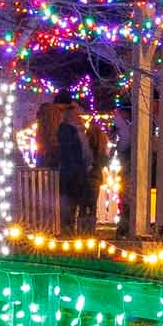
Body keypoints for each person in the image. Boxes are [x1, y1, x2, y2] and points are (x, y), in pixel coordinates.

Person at [50, 100, 97, 234]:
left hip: (75, 172)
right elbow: (79, 152)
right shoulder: (69, 130)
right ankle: (69, 228)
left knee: (74, 203)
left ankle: (72, 229)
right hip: (72, 172)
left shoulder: (76, 130)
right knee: (71, 204)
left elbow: (84, 152)